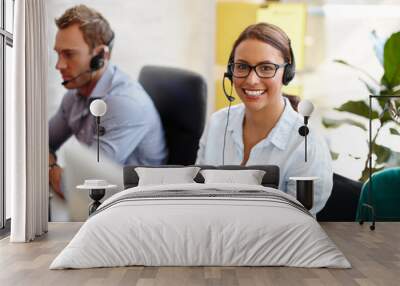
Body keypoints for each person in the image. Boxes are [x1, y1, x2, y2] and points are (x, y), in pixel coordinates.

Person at [196, 23, 332, 215]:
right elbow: (197, 195)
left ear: (287, 72)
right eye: (242, 66)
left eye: (266, 68)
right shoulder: (217, 123)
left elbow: (296, 223)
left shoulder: (307, 145)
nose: (252, 80)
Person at [49, 5, 167, 198]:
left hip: (137, 207)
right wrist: (52, 167)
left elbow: (77, 188)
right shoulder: (75, 93)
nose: (59, 65)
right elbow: (38, 145)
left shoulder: (124, 104)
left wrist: (47, 166)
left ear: (101, 56)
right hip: (104, 203)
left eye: (69, 54)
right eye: (58, 53)